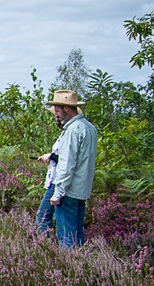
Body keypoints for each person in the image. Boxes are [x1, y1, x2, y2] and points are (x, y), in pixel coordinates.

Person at [46, 90, 97, 248]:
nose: (56, 113)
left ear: (67, 108)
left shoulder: (72, 131)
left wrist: (58, 193)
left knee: (66, 236)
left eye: (57, 110)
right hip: (82, 191)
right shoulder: (89, 128)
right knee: (77, 233)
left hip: (69, 191)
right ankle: (80, 261)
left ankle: (69, 263)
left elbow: (67, 165)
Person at [35, 108, 65, 234]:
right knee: (55, 217)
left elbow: (68, 160)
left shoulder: (70, 133)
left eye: (57, 113)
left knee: (43, 217)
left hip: (58, 180)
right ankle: (52, 241)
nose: (56, 116)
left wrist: (51, 156)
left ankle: (46, 243)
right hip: (56, 178)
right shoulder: (65, 133)